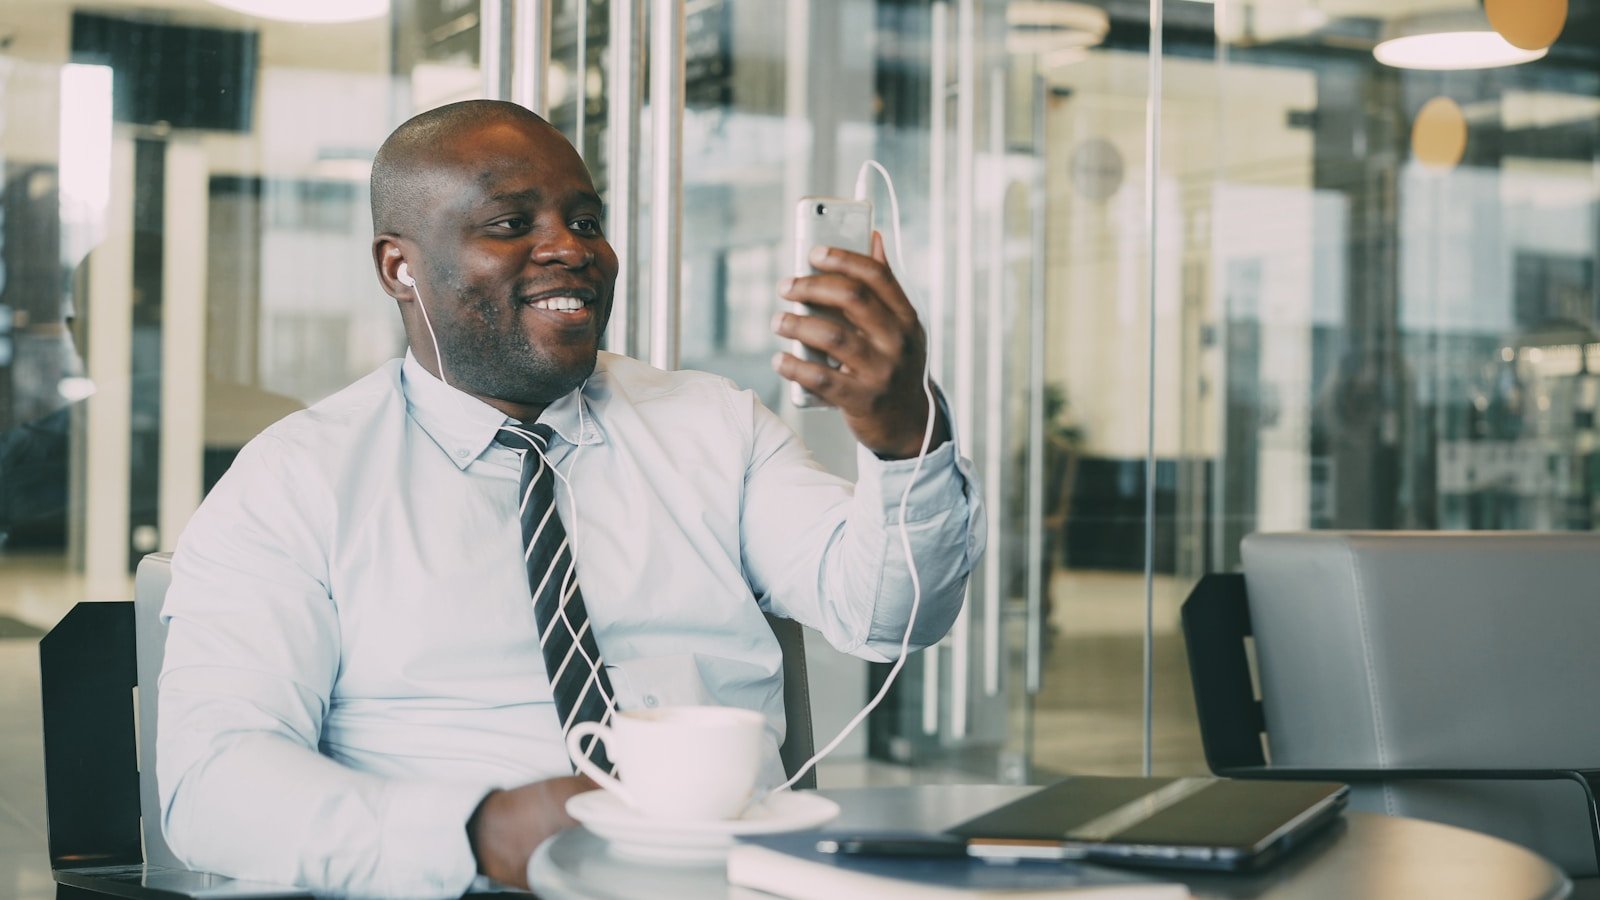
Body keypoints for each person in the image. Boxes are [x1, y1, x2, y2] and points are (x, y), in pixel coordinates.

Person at [156, 99, 983, 898]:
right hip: (453, 884)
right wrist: (477, 832)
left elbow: (891, 616)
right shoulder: (297, 481)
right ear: (399, 267)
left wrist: (904, 435)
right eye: (512, 224)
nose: (571, 248)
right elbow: (215, 785)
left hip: (718, 882)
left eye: (586, 221)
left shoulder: (714, 426)